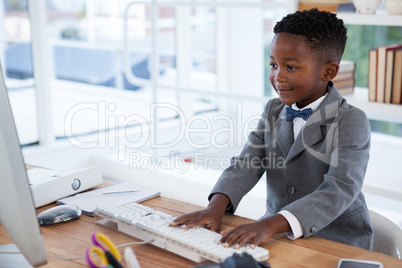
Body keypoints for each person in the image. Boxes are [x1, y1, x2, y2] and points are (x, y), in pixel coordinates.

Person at [170, 8, 373, 250]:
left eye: (291, 67)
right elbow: (247, 162)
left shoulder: (351, 120)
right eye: (273, 64)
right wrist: (216, 207)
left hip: (336, 239)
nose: (278, 76)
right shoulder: (273, 110)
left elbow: (339, 189)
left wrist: (271, 224)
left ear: (328, 71)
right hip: (276, 233)